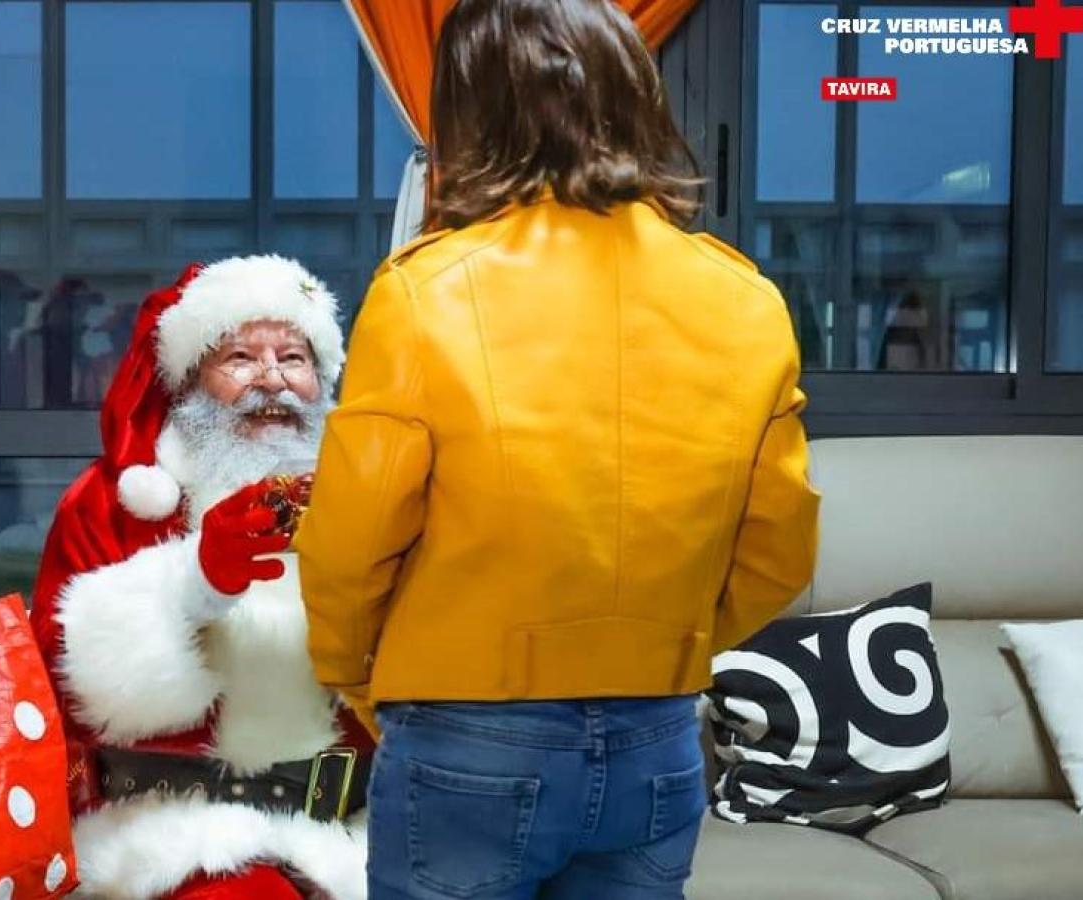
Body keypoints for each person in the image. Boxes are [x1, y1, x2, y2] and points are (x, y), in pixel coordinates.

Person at [291, 1, 822, 897]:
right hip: (658, 734)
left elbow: (352, 537)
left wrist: (353, 674)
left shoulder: (428, 292)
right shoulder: (747, 302)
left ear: (473, 114)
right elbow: (777, 553)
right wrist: (654, 650)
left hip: (465, 730)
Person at [30, 255, 373, 900]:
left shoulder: (368, 494)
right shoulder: (113, 502)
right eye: (240, 358)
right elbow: (61, 682)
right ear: (189, 382)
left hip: (355, 829)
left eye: (295, 359)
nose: (271, 380)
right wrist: (196, 583)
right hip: (177, 831)